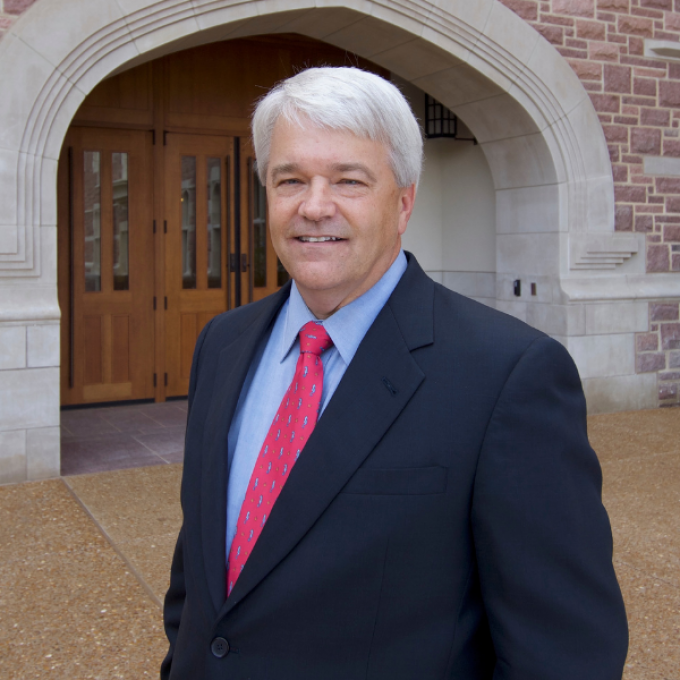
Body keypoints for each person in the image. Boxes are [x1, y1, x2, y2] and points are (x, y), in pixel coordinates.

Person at [162, 67, 628, 680]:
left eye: (349, 180)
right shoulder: (223, 344)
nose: (314, 205)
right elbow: (200, 577)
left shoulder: (508, 377)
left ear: (403, 202)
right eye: (290, 179)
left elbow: (567, 655)